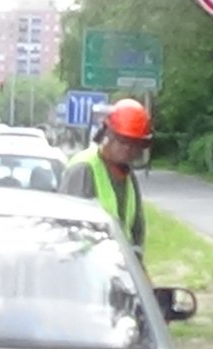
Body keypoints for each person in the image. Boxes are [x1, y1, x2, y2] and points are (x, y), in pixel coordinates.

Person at [61, 99, 151, 256]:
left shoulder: (128, 175)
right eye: (123, 141)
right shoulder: (84, 168)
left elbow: (136, 228)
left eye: (136, 143)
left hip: (118, 267)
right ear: (107, 135)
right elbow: (69, 229)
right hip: (86, 265)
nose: (129, 149)